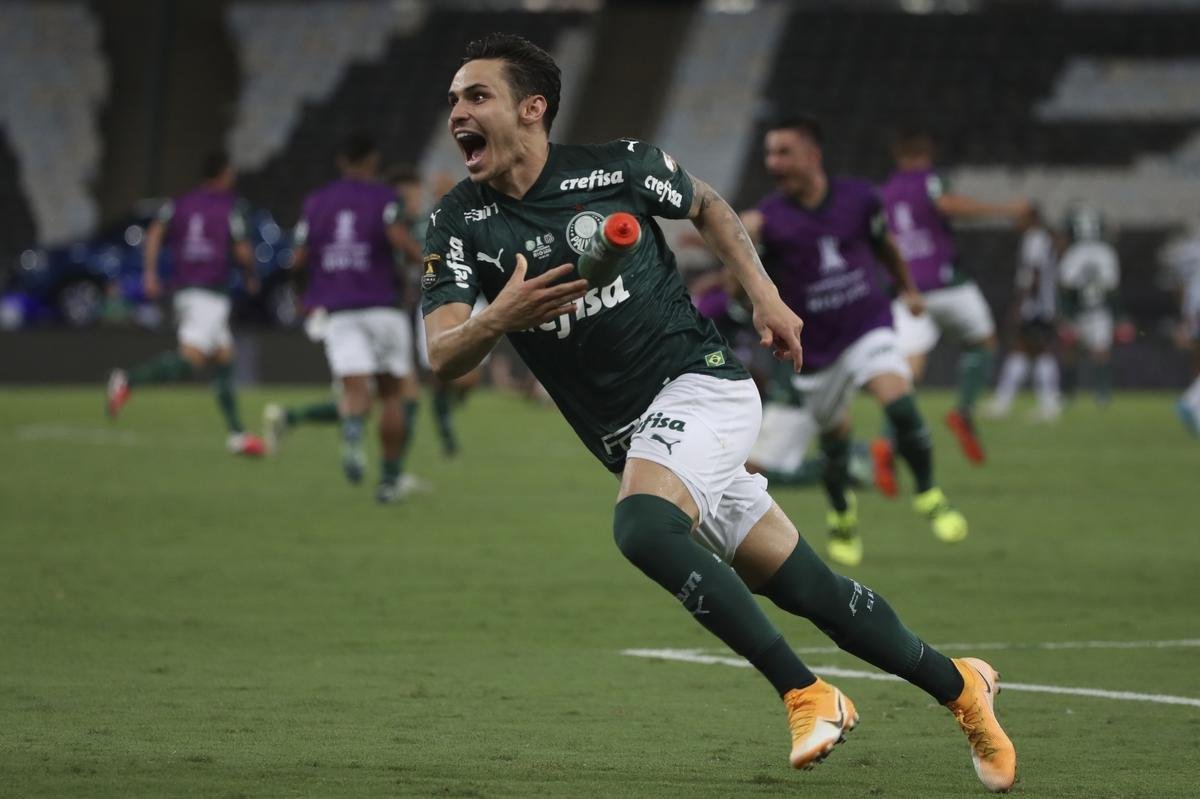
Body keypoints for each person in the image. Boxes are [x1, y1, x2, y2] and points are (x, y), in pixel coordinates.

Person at [422, 33, 1015, 791]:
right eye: (451, 101)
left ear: (532, 109)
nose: (457, 113)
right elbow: (442, 355)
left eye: (476, 96)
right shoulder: (456, 225)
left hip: (701, 385)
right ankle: (964, 687)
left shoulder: (619, 166)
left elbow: (706, 204)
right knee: (813, 591)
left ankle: (807, 692)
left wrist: (765, 294)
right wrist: (497, 316)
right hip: (639, 437)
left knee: (639, 525)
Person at [742, 116, 968, 567]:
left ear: (812, 155)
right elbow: (748, 279)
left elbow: (885, 247)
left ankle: (928, 492)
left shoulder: (860, 199)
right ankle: (843, 513)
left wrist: (907, 288)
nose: (774, 162)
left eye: (784, 152)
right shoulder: (770, 220)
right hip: (818, 350)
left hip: (868, 324)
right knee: (835, 442)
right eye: (770, 153)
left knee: (900, 402)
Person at [880, 128, 1030, 463]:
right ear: (923, 155)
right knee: (984, 342)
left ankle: (885, 443)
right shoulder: (929, 179)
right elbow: (946, 204)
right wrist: (1003, 210)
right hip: (948, 285)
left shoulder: (885, 192)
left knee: (906, 374)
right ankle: (962, 411)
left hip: (910, 292)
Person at [289, 132, 423, 503]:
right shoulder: (385, 199)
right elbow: (398, 239)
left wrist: (301, 296)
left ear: (341, 162)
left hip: (338, 308)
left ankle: (351, 431)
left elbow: (297, 259)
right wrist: (425, 262)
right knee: (392, 394)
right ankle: (388, 480)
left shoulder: (316, 203)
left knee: (354, 389)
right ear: (373, 162)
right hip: (382, 304)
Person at [106, 150, 266, 457]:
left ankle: (237, 434)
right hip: (207, 293)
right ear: (224, 174)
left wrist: (150, 273)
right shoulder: (230, 206)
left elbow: (154, 233)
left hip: (188, 291)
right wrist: (250, 275)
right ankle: (127, 381)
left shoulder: (179, 203)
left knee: (223, 357)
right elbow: (243, 250)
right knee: (191, 359)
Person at [987, 206, 1061, 420]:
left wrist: (1022, 303)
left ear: (1032, 218)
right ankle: (1043, 402)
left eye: (1019, 218)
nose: (1015, 223)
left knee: (1028, 349)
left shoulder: (1034, 238)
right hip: (1043, 303)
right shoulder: (1043, 238)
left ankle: (1039, 404)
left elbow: (1034, 273)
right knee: (1030, 350)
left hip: (1035, 305)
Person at [1057, 204, 1127, 407]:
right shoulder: (1106, 252)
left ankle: (1075, 393)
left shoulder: (1074, 253)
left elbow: (1065, 287)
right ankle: (1096, 393)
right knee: (1095, 351)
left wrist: (1065, 314)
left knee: (1082, 350)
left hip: (1086, 309)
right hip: (1096, 309)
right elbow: (1112, 288)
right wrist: (1120, 315)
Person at [1161, 223, 1200, 434]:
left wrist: (1186, 316)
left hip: (1194, 307)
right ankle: (1191, 401)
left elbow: (1177, 283)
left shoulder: (1187, 248)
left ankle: (1194, 403)